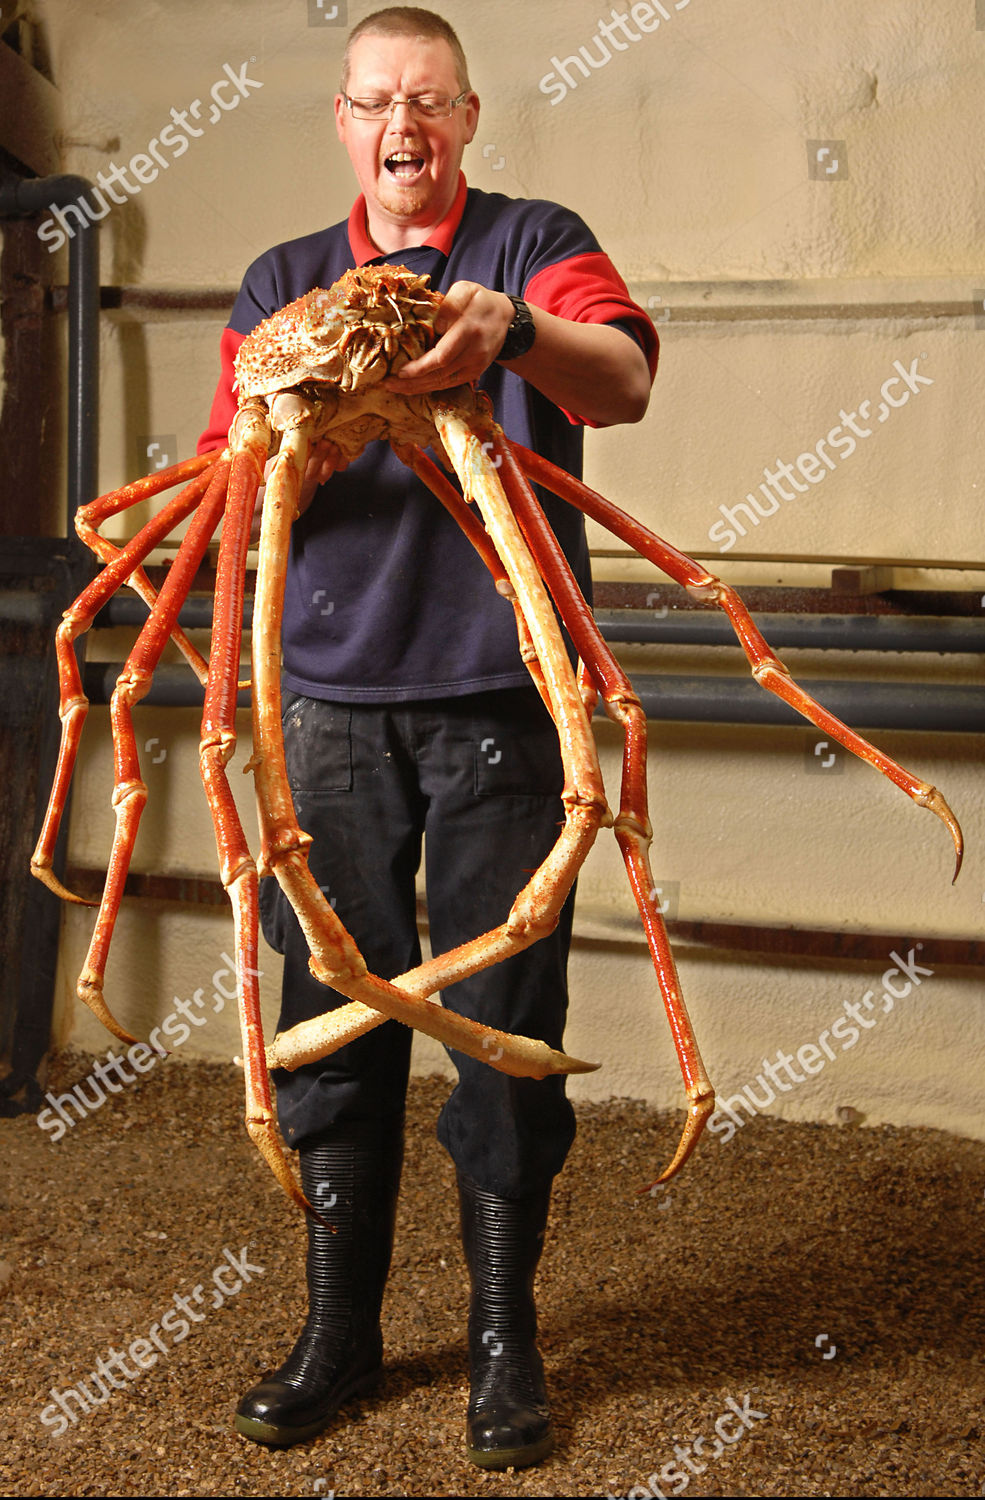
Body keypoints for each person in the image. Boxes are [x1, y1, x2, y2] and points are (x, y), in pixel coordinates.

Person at [198, 5, 658, 1470]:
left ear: (463, 119)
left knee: (510, 1035)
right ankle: (337, 1331)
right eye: (375, 100)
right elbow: (223, 483)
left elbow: (625, 379)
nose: (404, 122)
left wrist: (508, 337)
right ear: (344, 123)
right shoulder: (282, 282)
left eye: (431, 101)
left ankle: (501, 1342)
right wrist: (287, 433)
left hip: (499, 707)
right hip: (323, 708)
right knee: (325, 1021)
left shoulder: (528, 246)